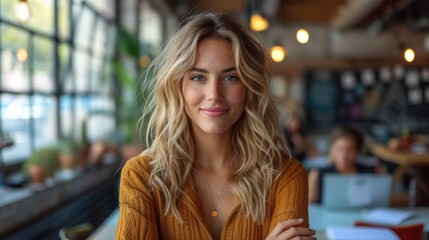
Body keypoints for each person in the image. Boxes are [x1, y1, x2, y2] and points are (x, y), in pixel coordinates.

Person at [116, 12, 314, 240]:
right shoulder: (142, 176)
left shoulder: (286, 177)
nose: (214, 95)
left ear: (249, 86)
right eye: (198, 77)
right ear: (177, 85)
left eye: (231, 77)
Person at [308, 125, 376, 204]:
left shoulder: (371, 173)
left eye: (350, 150)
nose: (344, 156)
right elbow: (310, 208)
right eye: (339, 149)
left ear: (358, 151)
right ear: (332, 149)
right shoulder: (317, 174)